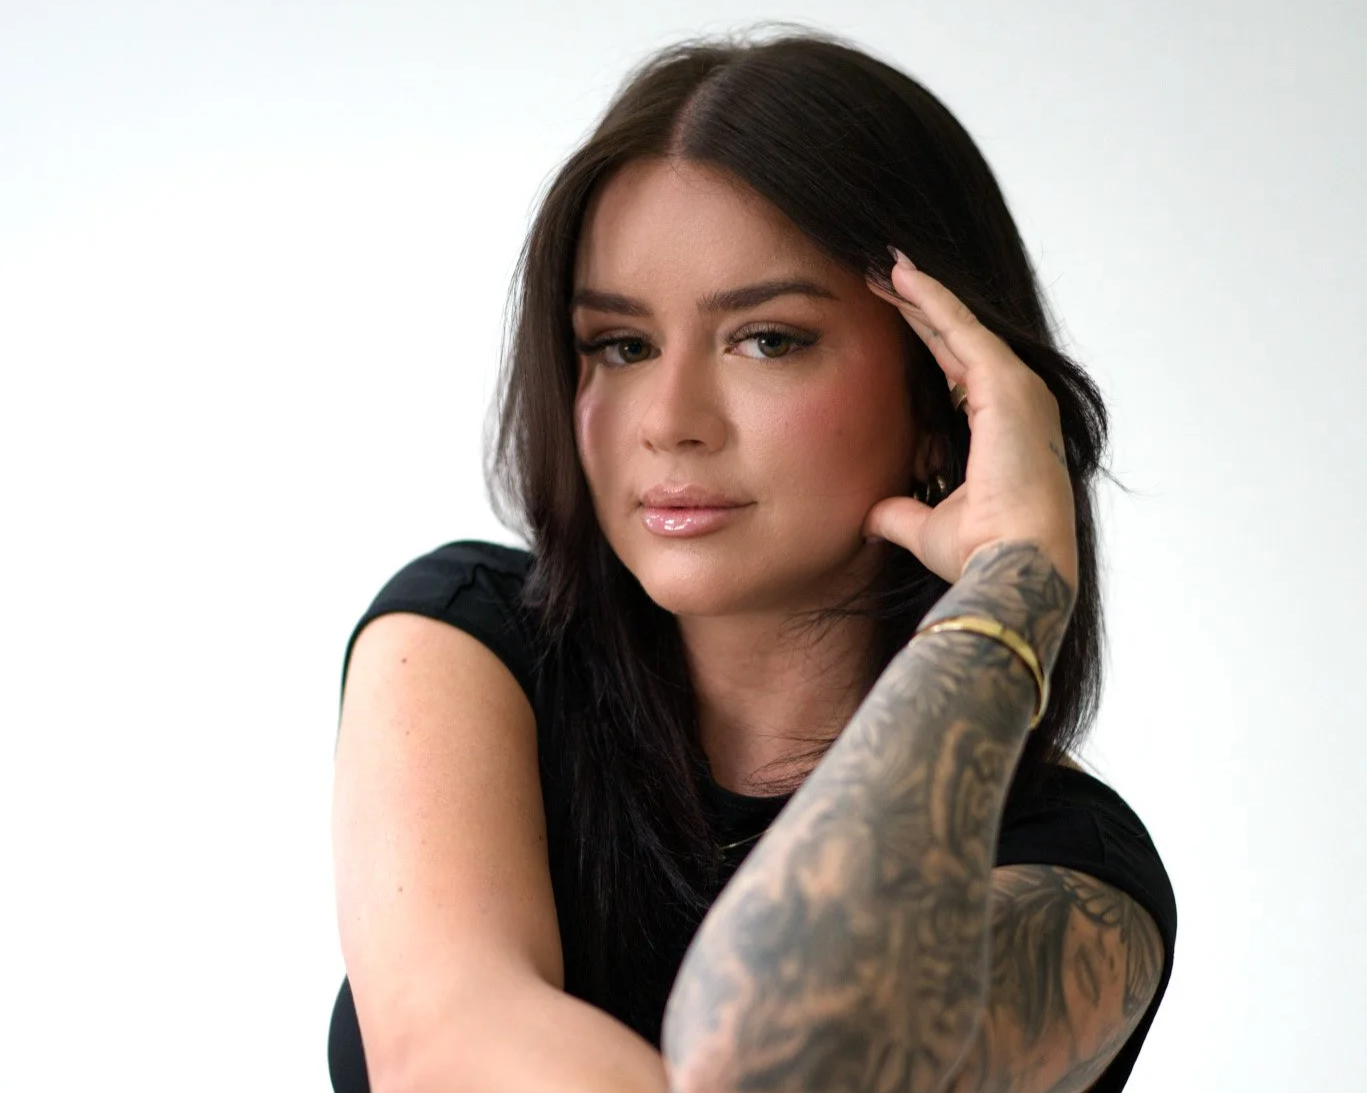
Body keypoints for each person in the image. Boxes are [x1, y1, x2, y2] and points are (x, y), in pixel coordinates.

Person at [328, 27, 1176, 1093]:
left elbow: (779, 1057)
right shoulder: (469, 641)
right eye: (619, 346)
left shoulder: (1073, 875)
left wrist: (1011, 595)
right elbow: (443, 1047)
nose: (668, 421)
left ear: (943, 399)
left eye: (765, 338)